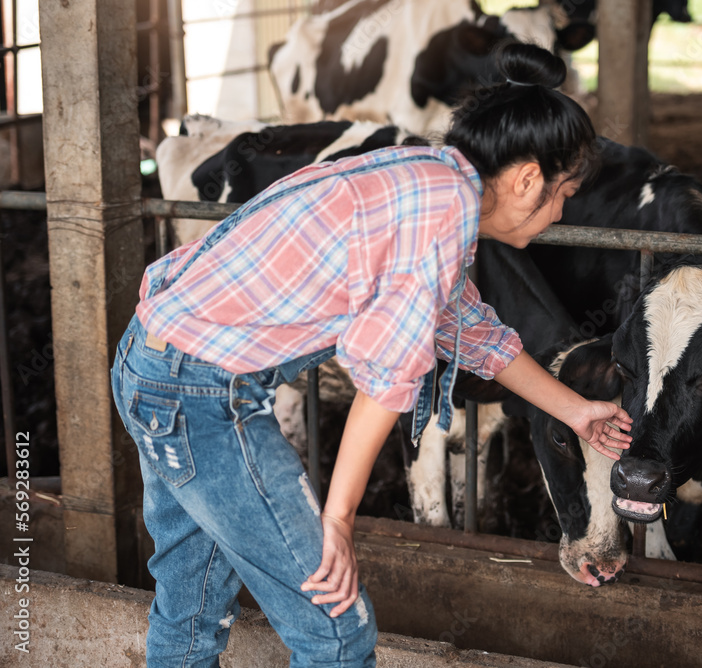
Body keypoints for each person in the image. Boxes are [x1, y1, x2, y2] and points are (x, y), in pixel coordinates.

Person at [111, 42, 632, 668]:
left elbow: (469, 327)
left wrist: (576, 412)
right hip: (202, 396)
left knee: (191, 601)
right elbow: (386, 382)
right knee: (336, 631)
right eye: (564, 193)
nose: (561, 211)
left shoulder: (430, 177)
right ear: (527, 179)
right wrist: (337, 519)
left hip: (156, 365)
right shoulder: (440, 215)